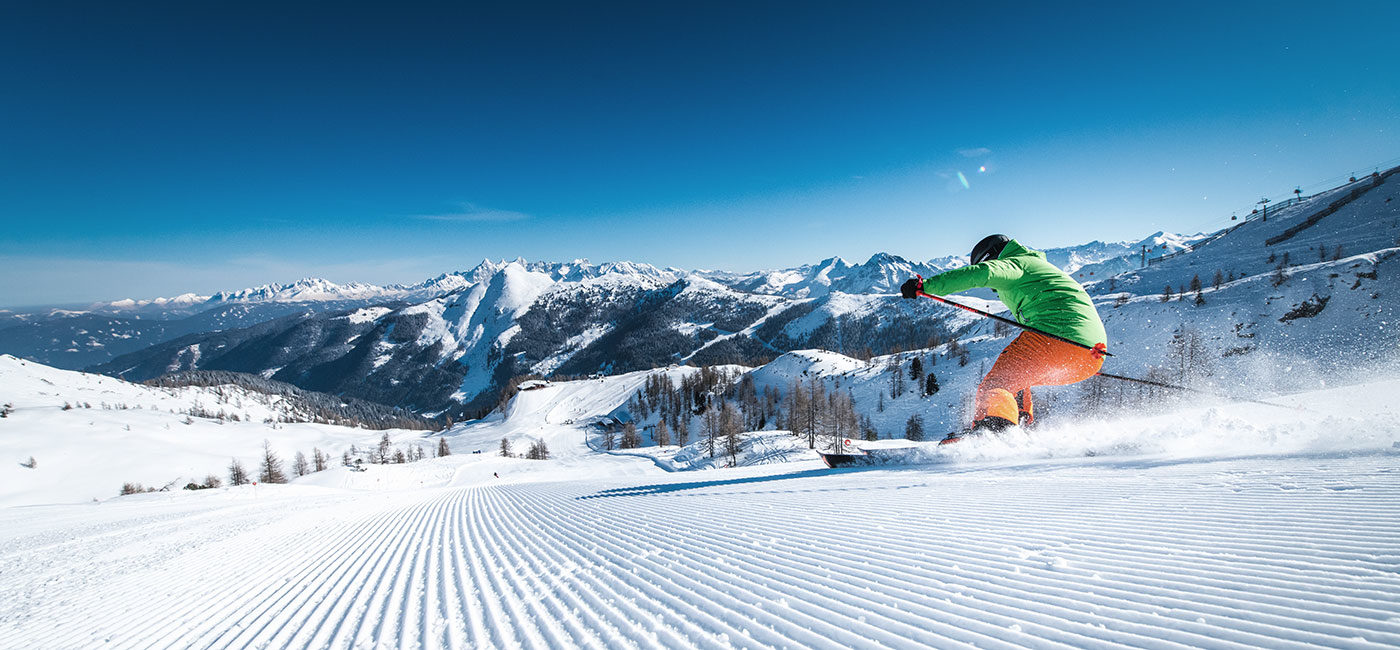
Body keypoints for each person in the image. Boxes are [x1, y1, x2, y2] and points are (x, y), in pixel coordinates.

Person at [900, 234, 1107, 439]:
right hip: (1090, 357)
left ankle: (995, 434)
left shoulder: (1015, 264)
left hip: (1056, 338)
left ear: (990, 257)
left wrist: (926, 286)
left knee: (997, 384)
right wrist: (1072, 355)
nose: (994, 290)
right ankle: (1021, 427)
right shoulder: (1038, 267)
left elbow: (981, 274)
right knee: (1018, 378)